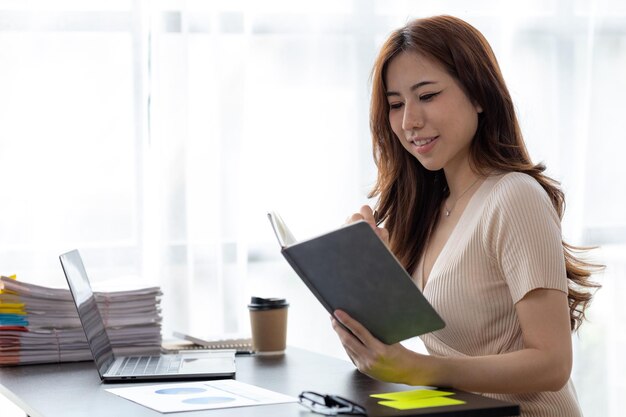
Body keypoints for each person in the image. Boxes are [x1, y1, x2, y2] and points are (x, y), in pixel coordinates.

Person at [331, 15, 601, 417]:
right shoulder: (432, 210)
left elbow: (553, 364)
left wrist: (423, 369)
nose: (410, 122)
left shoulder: (515, 196)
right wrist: (372, 280)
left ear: (478, 95)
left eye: (427, 95)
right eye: (396, 104)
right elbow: (389, 360)